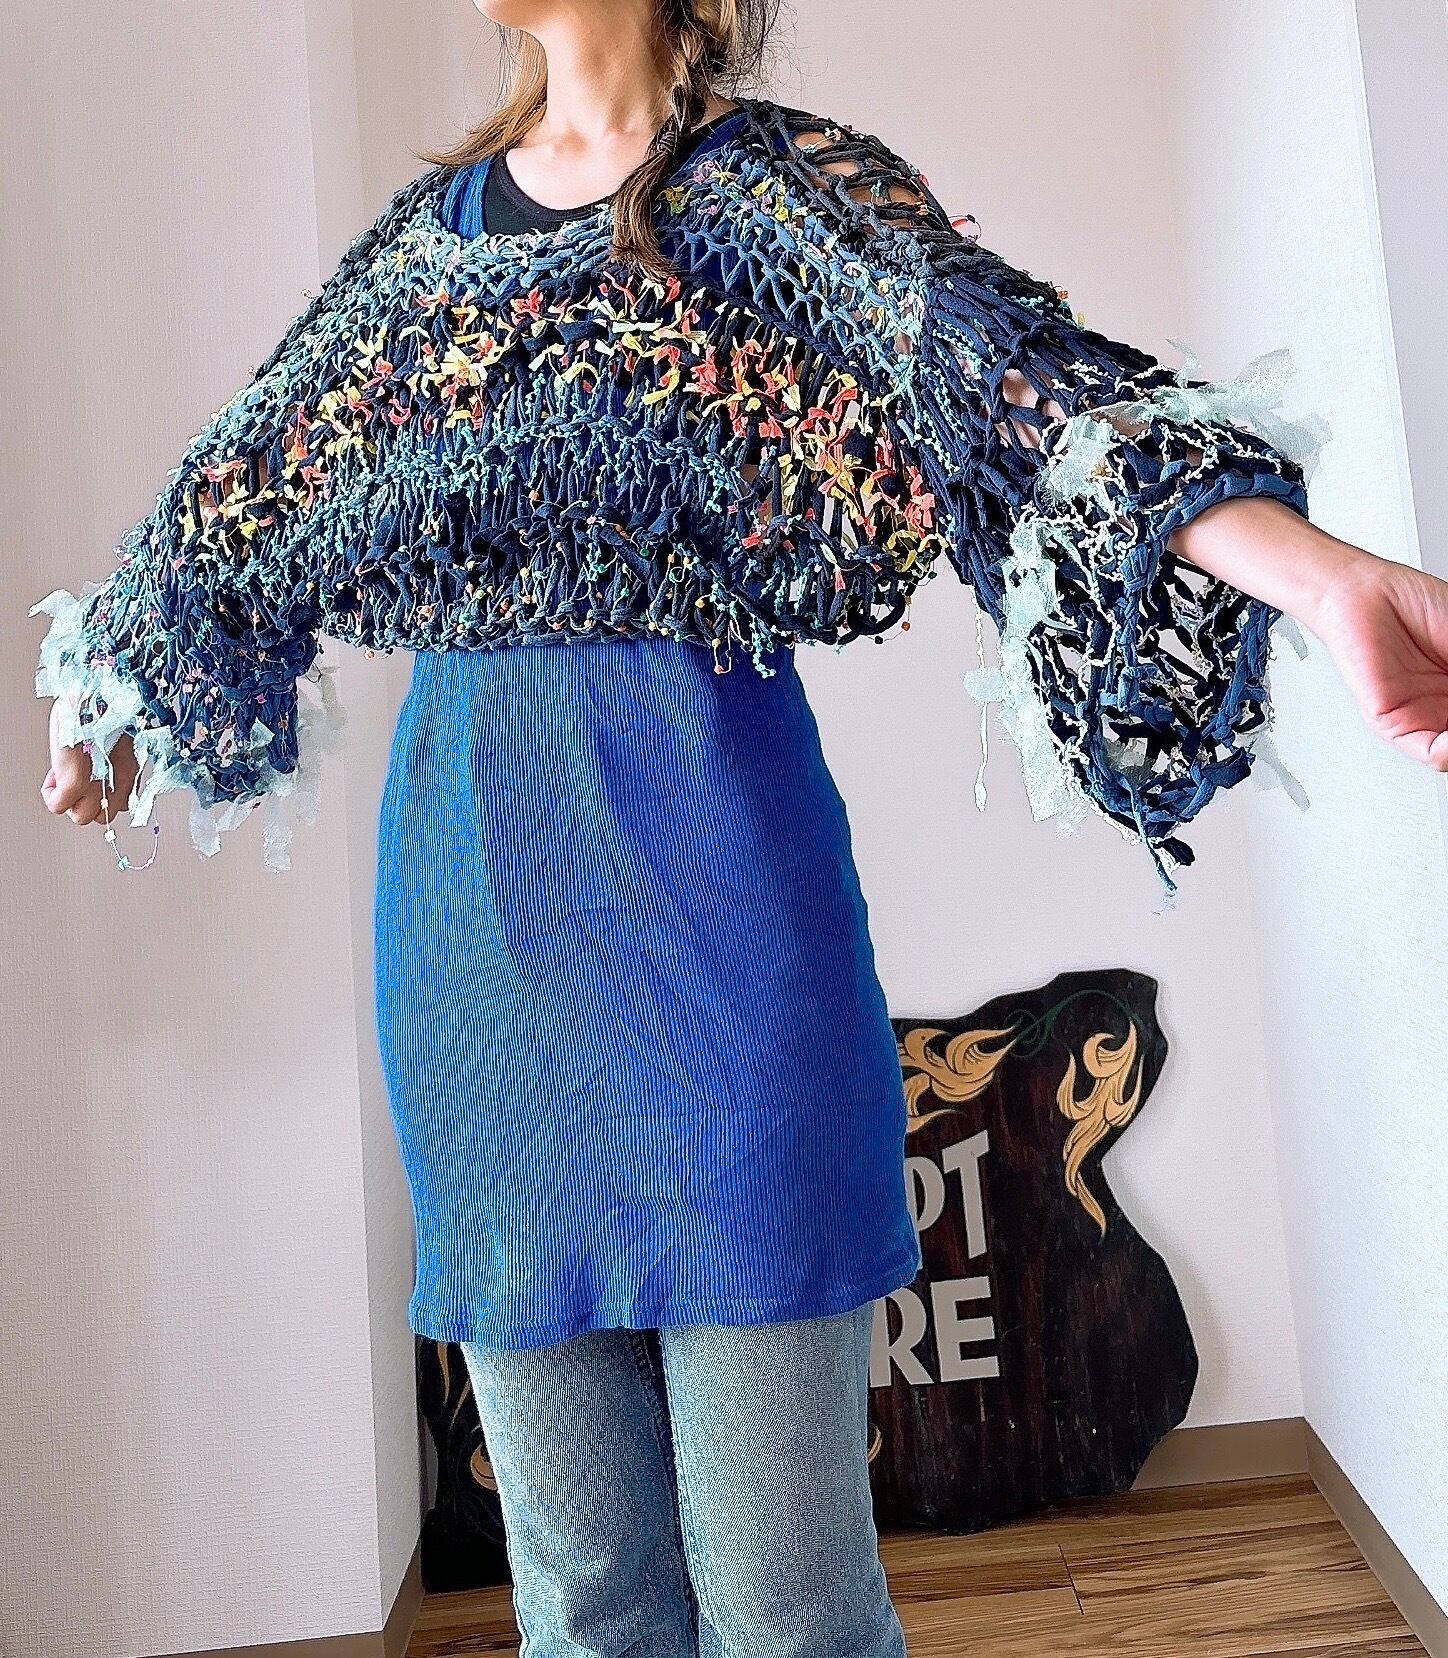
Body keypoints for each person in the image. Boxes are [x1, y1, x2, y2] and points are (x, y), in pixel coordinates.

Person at [30, 2, 1448, 1654]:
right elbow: (237, 497)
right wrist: (113, 686)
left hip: (722, 941)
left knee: (791, 1605)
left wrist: (1323, 575)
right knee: (584, 1599)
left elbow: (1033, 401)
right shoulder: (418, 253)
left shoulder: (784, 201)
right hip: (478, 969)